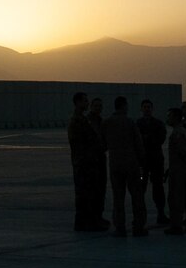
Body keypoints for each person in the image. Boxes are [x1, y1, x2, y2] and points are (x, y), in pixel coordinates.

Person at [102, 95, 148, 236]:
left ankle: (120, 227)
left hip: (115, 164)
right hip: (131, 163)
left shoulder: (107, 123)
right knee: (137, 196)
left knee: (118, 197)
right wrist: (143, 162)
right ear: (124, 106)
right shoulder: (129, 122)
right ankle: (138, 226)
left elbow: (103, 144)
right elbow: (138, 144)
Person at [67, 92, 108, 231]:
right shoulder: (78, 121)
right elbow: (83, 143)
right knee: (85, 194)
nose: (86, 104)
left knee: (90, 193)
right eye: (85, 101)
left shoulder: (83, 120)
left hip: (88, 162)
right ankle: (85, 222)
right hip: (84, 163)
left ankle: (89, 220)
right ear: (78, 103)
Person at [136, 98, 169, 226]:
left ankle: (161, 214)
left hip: (155, 160)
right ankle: (139, 215)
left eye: (148, 107)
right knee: (140, 188)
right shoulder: (137, 124)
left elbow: (160, 139)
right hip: (142, 161)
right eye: (144, 107)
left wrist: (147, 138)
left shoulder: (158, 124)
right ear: (141, 109)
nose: (147, 109)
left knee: (158, 188)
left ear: (152, 109)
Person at [163, 107, 186, 235]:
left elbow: (183, 153)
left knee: (176, 199)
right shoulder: (181, 131)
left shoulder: (178, 133)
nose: (167, 118)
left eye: (169, 116)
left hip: (179, 172)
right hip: (179, 169)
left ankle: (176, 226)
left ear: (175, 117)